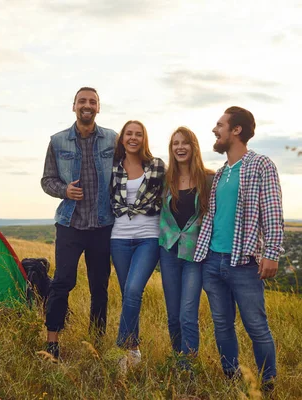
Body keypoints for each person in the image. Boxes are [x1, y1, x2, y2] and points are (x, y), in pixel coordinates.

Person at [194, 106, 284, 390]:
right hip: (212, 260)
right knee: (222, 326)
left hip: (243, 262)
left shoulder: (261, 164)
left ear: (237, 130)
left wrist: (271, 252)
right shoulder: (221, 173)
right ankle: (231, 379)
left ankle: (268, 386)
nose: (214, 130)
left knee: (256, 327)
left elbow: (272, 211)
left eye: (220, 125)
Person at [41, 87, 118, 360]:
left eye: (93, 102)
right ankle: (52, 343)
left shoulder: (112, 139)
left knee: (100, 286)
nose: (87, 105)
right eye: (82, 101)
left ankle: (95, 343)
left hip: (102, 225)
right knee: (62, 282)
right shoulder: (58, 141)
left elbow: (128, 171)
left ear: (99, 107)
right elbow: (46, 180)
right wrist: (64, 191)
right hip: (69, 225)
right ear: (73, 106)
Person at [109, 120, 165, 371]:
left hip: (148, 236)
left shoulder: (156, 166)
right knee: (128, 295)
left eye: (138, 134)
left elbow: (180, 180)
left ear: (144, 138)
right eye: (129, 134)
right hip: (119, 237)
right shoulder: (112, 166)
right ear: (122, 138)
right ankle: (134, 349)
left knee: (133, 290)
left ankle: (121, 350)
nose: (133, 138)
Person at [158, 127, 214, 371]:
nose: (180, 147)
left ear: (194, 147)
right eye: (175, 143)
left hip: (195, 254)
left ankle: (188, 368)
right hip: (169, 252)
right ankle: (176, 361)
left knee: (187, 315)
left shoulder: (209, 179)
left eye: (185, 143)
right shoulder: (164, 180)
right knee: (172, 316)